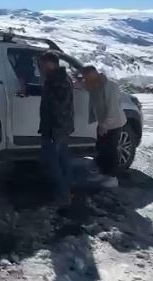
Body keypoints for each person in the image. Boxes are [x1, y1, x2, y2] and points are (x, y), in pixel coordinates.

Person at [38, 51, 74, 208]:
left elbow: (59, 108)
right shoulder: (56, 79)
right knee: (62, 162)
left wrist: (53, 131)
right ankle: (65, 192)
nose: (41, 67)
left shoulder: (57, 80)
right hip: (60, 129)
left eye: (43, 64)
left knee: (52, 163)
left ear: (51, 64)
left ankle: (63, 195)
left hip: (55, 130)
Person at [82, 66, 127, 189]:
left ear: (95, 74)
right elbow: (86, 88)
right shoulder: (94, 85)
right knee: (101, 148)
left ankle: (112, 177)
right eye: (85, 78)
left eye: (87, 77)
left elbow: (113, 110)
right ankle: (103, 173)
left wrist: (105, 126)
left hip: (114, 123)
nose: (86, 80)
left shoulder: (109, 87)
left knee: (110, 150)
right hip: (103, 122)